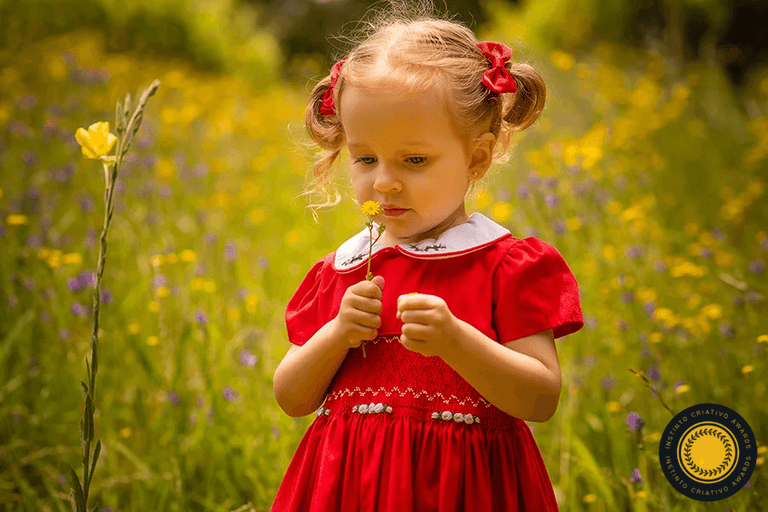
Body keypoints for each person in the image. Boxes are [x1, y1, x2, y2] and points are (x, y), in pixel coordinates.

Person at [272, 3, 584, 510]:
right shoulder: (344, 271)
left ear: (477, 157)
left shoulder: (504, 266)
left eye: (414, 160)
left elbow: (540, 398)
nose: (385, 182)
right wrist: (338, 333)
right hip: (352, 487)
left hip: (465, 489)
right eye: (365, 158)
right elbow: (291, 397)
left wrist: (456, 340)